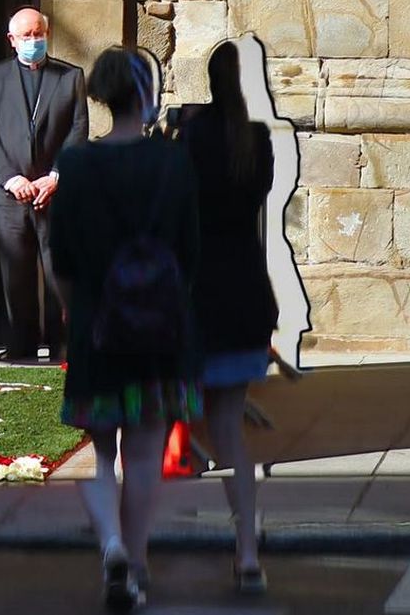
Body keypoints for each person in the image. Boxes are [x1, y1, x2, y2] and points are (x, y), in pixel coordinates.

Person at [49, 46, 202, 613]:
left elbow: (60, 258)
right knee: (144, 455)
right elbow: (190, 252)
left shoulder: (77, 164)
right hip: (159, 327)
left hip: (97, 324)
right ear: (145, 93)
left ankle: (110, 543)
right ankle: (135, 566)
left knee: (103, 455)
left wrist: (74, 310)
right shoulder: (173, 161)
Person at [178, 41, 277, 595]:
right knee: (233, 436)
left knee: (180, 408)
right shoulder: (256, 141)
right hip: (244, 290)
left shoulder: (194, 138)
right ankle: (246, 554)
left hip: (200, 290)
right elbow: (254, 199)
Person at [0, 8, 88, 364]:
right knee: (17, 274)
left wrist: (55, 176)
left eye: (38, 34)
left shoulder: (70, 77)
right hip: (10, 193)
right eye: (26, 36)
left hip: (55, 191)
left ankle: (63, 343)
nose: (33, 41)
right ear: (12, 41)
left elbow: (78, 130)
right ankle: (21, 344)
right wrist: (12, 178)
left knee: (59, 272)